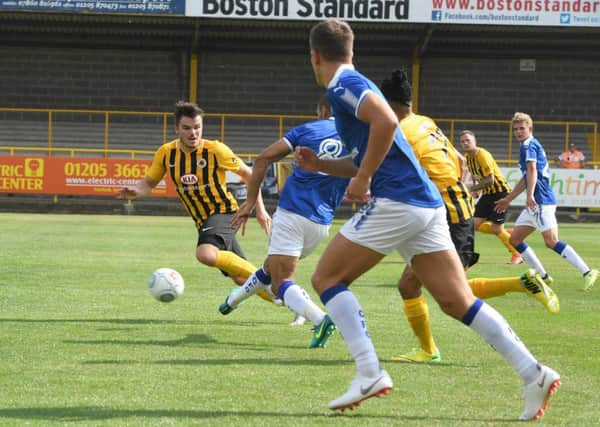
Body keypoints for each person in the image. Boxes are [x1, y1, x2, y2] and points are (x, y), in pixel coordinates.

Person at [297, 19, 560, 420]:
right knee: (457, 301)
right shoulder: (354, 84)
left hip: (398, 202)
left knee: (326, 279)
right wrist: (321, 165)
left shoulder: (341, 85)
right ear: (350, 50)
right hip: (426, 205)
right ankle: (534, 373)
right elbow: (370, 150)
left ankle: (369, 371)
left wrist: (365, 177)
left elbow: (385, 124)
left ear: (315, 56)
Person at [378, 70, 559, 365]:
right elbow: (459, 160)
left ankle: (522, 283)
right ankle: (428, 350)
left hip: (448, 216)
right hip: (452, 211)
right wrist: (458, 185)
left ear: (389, 104)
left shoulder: (403, 133)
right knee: (409, 284)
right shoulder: (425, 122)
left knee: (453, 291)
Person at [218, 95, 350, 346]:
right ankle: (233, 300)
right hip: (322, 223)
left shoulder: (308, 130)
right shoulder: (356, 136)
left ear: (322, 109)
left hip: (292, 213)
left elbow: (264, 158)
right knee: (271, 267)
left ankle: (320, 319)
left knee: (281, 282)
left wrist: (250, 201)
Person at [117, 101, 276, 303]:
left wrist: (259, 210)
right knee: (240, 277)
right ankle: (290, 300)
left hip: (224, 212)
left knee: (205, 254)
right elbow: (149, 183)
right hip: (203, 222)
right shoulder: (166, 153)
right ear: (176, 129)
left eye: (197, 127)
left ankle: (269, 278)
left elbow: (250, 174)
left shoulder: (215, 149)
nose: (193, 133)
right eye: (187, 128)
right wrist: (134, 192)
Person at [495, 112, 598, 291]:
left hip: (540, 201)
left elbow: (532, 170)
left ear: (530, 129)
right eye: (516, 129)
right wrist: (509, 199)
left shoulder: (528, 146)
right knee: (515, 239)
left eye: (522, 128)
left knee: (551, 241)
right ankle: (543, 276)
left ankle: (587, 271)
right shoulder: (529, 145)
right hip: (536, 202)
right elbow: (526, 176)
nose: (519, 132)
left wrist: (530, 196)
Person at [459, 130, 523, 265]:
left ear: (474, 141)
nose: (465, 143)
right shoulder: (468, 157)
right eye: (462, 141)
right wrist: (476, 190)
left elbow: (490, 180)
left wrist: (472, 189)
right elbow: (478, 176)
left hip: (500, 193)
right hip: (488, 194)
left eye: (468, 140)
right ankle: (506, 233)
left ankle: (517, 254)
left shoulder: (482, 155)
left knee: (495, 229)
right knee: (472, 225)